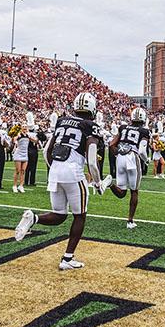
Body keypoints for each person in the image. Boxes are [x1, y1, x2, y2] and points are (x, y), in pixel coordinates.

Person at [14, 92, 113, 270]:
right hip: (73, 172)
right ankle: (67, 259)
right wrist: (98, 183)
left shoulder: (62, 121)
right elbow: (92, 160)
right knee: (80, 216)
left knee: (59, 215)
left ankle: (33, 218)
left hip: (55, 171)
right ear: (92, 108)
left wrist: (55, 168)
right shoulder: (91, 126)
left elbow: (46, 151)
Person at [108, 107, 150, 229]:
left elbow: (111, 144)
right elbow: (142, 151)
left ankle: (110, 184)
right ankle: (130, 221)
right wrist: (146, 160)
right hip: (132, 157)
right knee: (134, 191)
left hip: (121, 157)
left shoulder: (123, 127)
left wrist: (117, 154)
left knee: (122, 193)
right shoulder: (144, 131)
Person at [12, 125, 31, 193]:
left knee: (23, 171)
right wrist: (17, 138)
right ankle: (14, 186)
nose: (25, 128)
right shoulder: (19, 134)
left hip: (25, 154)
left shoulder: (28, 135)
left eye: (26, 127)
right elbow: (14, 139)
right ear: (21, 128)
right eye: (23, 127)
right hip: (18, 154)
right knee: (17, 170)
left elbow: (35, 141)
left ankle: (21, 185)